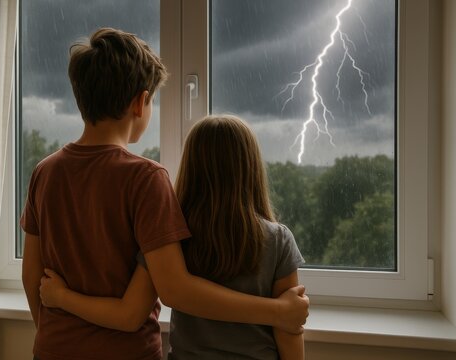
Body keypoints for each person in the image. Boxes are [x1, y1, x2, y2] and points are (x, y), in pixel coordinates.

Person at [22, 27, 308, 360]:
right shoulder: (145, 178)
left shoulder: (45, 171)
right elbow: (173, 290)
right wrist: (277, 312)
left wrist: (54, 331)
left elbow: (32, 277)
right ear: (140, 103)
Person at [40, 114, 306, 359]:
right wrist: (279, 312)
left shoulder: (169, 236)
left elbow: (129, 311)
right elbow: (289, 327)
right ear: (251, 168)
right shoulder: (278, 241)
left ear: (191, 167)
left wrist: (61, 297)